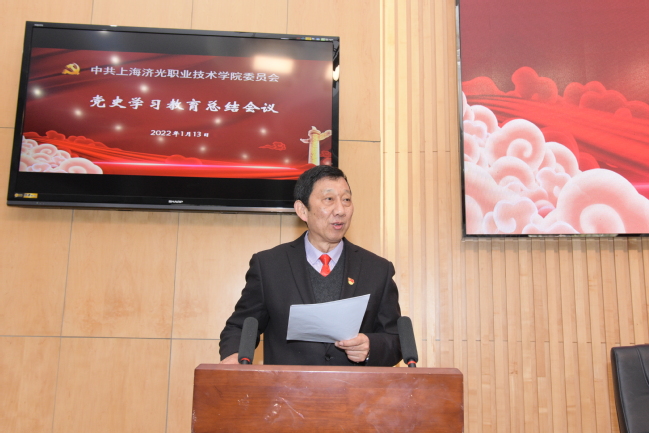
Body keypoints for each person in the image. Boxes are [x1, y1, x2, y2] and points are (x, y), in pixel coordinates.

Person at [219, 165, 402, 366]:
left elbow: (396, 339)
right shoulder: (269, 266)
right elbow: (241, 327)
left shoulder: (377, 269)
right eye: (329, 199)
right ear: (302, 210)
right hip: (286, 386)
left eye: (346, 200)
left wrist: (370, 347)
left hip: (353, 387)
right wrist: (234, 357)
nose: (340, 210)